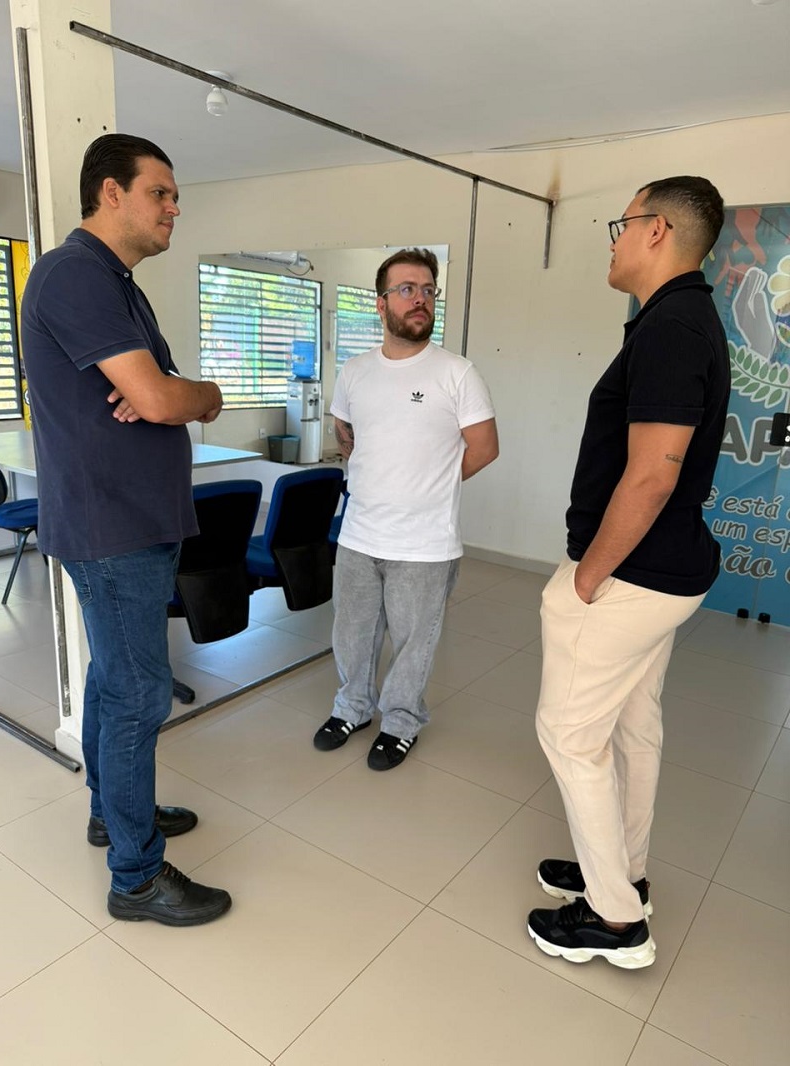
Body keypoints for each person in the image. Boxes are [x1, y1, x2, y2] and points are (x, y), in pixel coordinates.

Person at [21, 134, 231, 926]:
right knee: (140, 692)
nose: (174, 208)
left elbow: (154, 393)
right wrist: (199, 395)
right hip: (113, 526)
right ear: (111, 193)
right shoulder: (75, 274)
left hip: (130, 519)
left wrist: (166, 393)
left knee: (114, 680)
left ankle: (112, 814)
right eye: (161, 193)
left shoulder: (115, 281)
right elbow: (159, 397)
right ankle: (136, 877)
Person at [527, 176, 729, 968]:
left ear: (657, 231)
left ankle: (615, 922)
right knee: (634, 727)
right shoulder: (678, 318)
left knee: (569, 735)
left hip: (630, 575)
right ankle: (624, 875)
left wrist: (587, 578)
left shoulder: (672, 327)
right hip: (666, 570)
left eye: (622, 223)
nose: (613, 240)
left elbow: (651, 475)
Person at [314, 248, 499, 770]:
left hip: (424, 544)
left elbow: (484, 448)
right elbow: (344, 428)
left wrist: (429, 484)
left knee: (413, 643)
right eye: (407, 289)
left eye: (428, 290)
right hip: (358, 535)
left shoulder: (457, 373)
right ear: (381, 303)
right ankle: (352, 708)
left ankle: (400, 722)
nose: (420, 299)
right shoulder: (355, 371)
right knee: (351, 635)